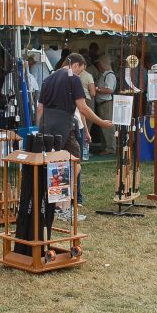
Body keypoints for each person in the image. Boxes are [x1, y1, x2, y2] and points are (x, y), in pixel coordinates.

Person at [36, 53, 113, 221]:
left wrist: (38, 129)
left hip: (45, 125)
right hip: (64, 126)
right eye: (80, 71)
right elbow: (83, 108)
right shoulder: (73, 78)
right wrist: (101, 122)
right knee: (72, 166)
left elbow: (40, 108)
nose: (79, 74)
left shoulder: (48, 79)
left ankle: (54, 206)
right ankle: (62, 207)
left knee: (54, 165)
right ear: (75, 65)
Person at [94, 55, 117, 155]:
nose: (98, 66)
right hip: (103, 104)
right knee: (103, 126)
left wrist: (97, 89)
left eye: (99, 64)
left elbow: (110, 90)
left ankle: (110, 149)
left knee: (108, 127)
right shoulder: (104, 75)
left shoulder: (109, 75)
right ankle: (105, 147)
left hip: (106, 104)